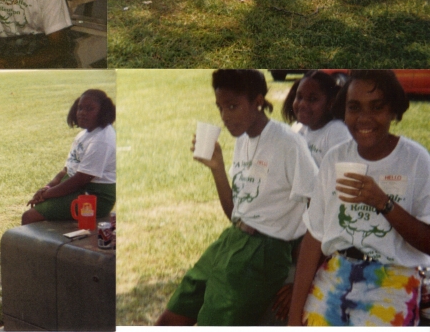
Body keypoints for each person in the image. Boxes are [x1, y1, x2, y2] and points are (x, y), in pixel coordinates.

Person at [156, 69, 318, 326]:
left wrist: (301, 279)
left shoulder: (288, 143)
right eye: (220, 107)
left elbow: (319, 211)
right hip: (232, 239)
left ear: (257, 101)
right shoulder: (243, 139)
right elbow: (235, 212)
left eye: (233, 106)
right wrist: (218, 169)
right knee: (170, 318)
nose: (225, 117)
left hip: (265, 253)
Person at [288, 70, 430, 326]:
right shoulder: (335, 159)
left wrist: (383, 203)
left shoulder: (416, 161)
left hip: (394, 278)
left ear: (393, 111)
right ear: (343, 113)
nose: (364, 118)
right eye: (354, 107)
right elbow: (314, 237)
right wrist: (294, 316)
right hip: (337, 270)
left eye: (376, 107)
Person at [22, 89, 116, 225]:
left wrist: (46, 195)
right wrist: (47, 188)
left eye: (89, 109)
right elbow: (66, 170)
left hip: (95, 196)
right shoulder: (84, 135)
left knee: (30, 216)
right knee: (39, 210)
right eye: (80, 108)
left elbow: (81, 179)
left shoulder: (102, 139)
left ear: (103, 112)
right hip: (77, 187)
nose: (82, 113)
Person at [282, 70, 351, 166]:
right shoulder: (298, 128)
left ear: (330, 104)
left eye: (312, 99)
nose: (302, 104)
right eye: (299, 97)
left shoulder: (336, 132)